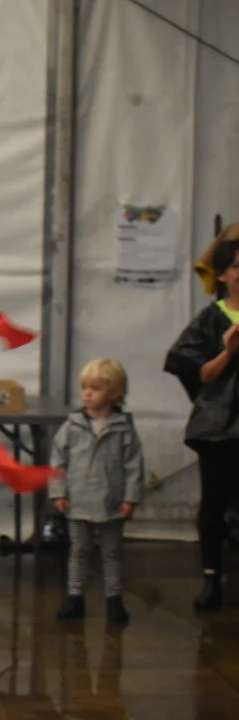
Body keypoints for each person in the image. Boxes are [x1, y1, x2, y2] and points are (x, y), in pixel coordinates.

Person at [164, 234, 239, 612]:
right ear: (223, 274)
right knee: (214, 503)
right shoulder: (211, 320)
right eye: (238, 267)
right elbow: (200, 375)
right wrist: (228, 352)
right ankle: (211, 578)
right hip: (219, 428)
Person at [49, 359, 144, 624]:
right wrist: (59, 492)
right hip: (78, 501)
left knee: (111, 554)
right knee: (78, 551)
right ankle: (75, 598)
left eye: (95, 388)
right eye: (84, 388)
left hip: (111, 503)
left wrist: (130, 498)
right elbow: (58, 460)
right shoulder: (72, 426)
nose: (87, 394)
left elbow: (134, 466)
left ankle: (114, 599)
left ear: (115, 393)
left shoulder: (124, 429)